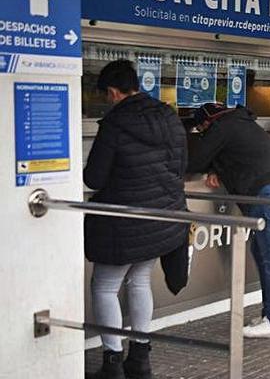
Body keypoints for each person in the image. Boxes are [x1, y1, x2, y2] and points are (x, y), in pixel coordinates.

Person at [84, 60, 189, 379]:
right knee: (140, 280)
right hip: (161, 218)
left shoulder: (114, 124)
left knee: (104, 285)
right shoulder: (168, 115)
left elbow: (95, 178)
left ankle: (113, 362)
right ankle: (140, 360)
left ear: (113, 92)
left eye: (105, 95)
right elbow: (181, 165)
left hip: (123, 221)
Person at [187, 103, 270, 339]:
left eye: (200, 128)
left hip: (267, 191)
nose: (202, 132)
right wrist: (217, 167)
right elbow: (235, 155)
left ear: (207, 122)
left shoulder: (222, 127)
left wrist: (211, 165)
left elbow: (194, 161)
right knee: (262, 251)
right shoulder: (241, 122)